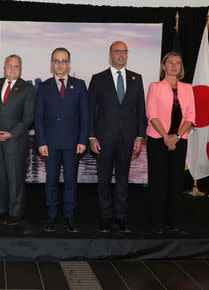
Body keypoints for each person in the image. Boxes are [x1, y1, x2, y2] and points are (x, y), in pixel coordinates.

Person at [88, 41, 146, 233]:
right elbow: (90, 111)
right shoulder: (98, 79)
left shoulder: (136, 79)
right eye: (117, 51)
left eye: (124, 51)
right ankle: (105, 218)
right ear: (110, 54)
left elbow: (140, 111)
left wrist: (139, 136)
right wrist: (91, 137)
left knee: (122, 179)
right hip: (103, 139)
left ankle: (121, 218)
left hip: (128, 139)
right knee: (103, 179)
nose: (121, 54)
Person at [34, 48, 89, 232]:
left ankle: (69, 217)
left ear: (69, 63)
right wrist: (41, 142)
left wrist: (83, 140)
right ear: (51, 63)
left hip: (73, 144)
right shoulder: (43, 87)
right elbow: (38, 117)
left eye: (64, 61)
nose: (60, 64)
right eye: (57, 61)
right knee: (51, 181)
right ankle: (51, 216)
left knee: (71, 181)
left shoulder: (80, 85)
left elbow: (85, 116)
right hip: (49, 144)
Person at [146, 51, 195, 234]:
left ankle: (173, 222)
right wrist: (167, 136)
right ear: (164, 66)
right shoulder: (155, 86)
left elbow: (191, 117)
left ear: (181, 68)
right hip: (158, 140)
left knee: (175, 182)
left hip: (180, 140)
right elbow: (152, 114)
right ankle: (156, 223)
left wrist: (178, 136)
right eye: (171, 62)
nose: (175, 66)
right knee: (158, 181)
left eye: (178, 63)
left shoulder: (187, 88)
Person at [0, 55, 35, 225]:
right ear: (4, 68)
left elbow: (28, 118)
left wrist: (11, 133)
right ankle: (2, 210)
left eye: (16, 66)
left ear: (21, 70)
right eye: (10, 66)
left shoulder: (27, 88)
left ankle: (15, 212)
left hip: (15, 140)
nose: (13, 69)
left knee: (15, 177)